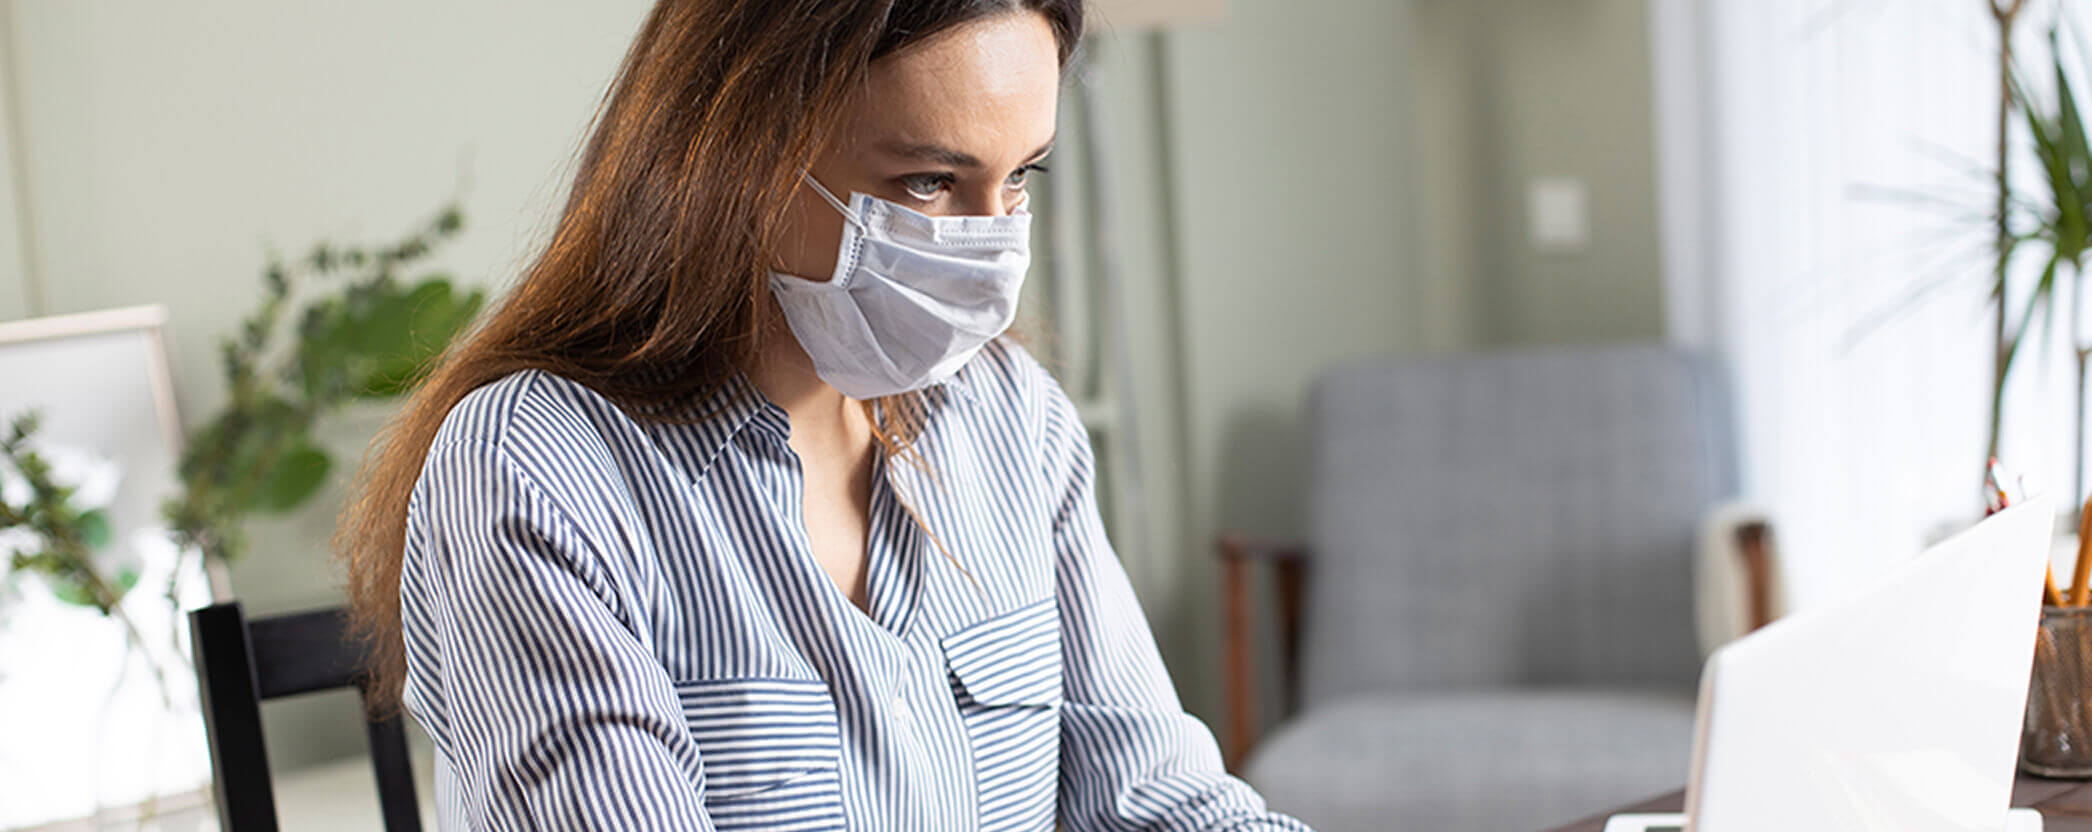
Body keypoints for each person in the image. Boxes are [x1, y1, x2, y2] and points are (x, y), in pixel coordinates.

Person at [337, 1, 1312, 829]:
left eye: (1020, 177)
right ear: (737, 156)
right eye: (927, 182)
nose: (992, 244)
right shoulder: (535, 468)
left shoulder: (1014, 423)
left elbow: (1159, 800)